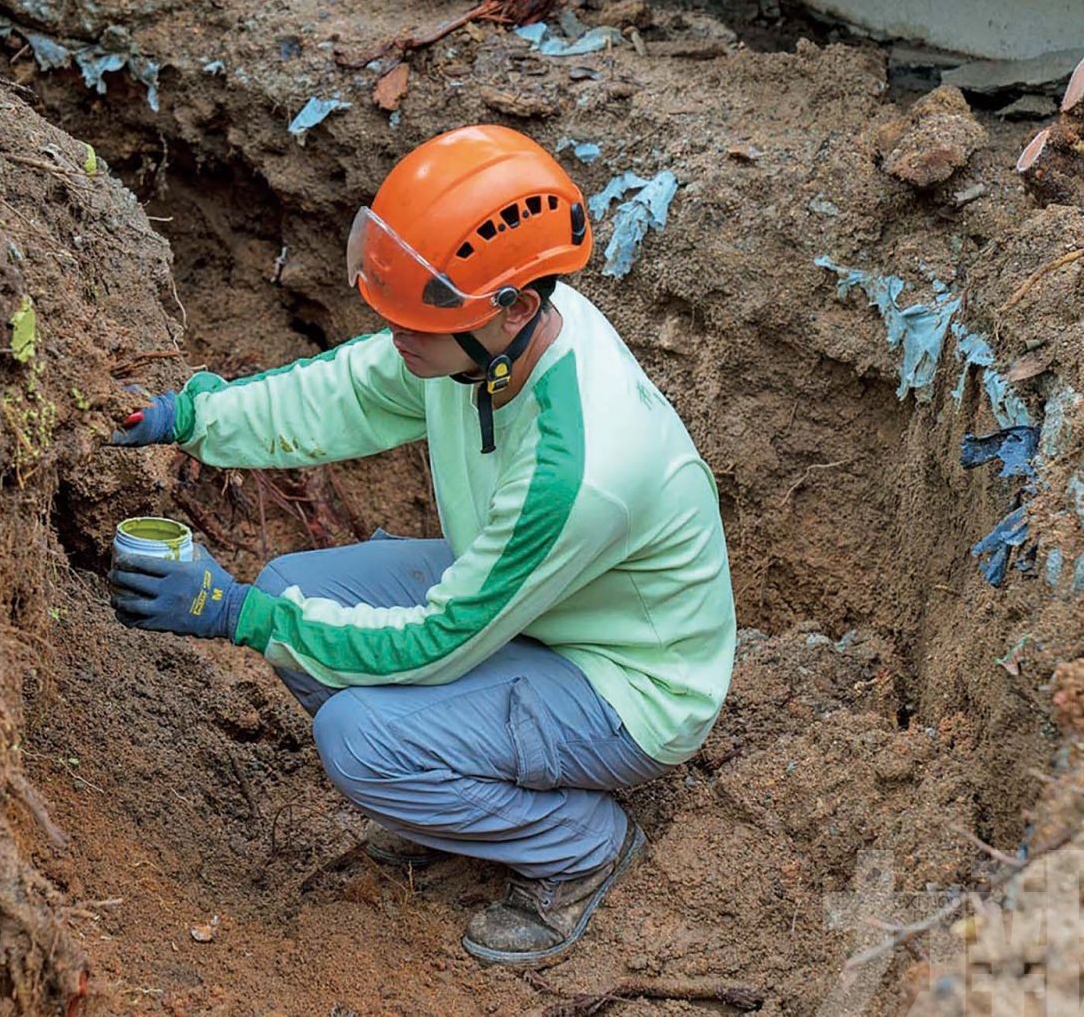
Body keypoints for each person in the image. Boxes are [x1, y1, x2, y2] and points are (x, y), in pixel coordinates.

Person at [108, 124, 736, 967]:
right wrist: (189, 417)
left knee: (358, 735)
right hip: (539, 605)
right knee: (299, 582)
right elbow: (346, 393)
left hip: (627, 684)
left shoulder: (579, 469)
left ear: (516, 307)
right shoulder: (491, 339)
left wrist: (238, 616)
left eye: (418, 319)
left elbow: (437, 640)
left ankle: (578, 846)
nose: (397, 336)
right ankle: (449, 803)